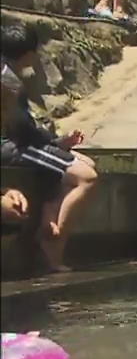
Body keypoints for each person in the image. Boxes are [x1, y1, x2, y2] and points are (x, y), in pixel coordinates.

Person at [0, 24, 99, 272]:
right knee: (87, 178)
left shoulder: (9, 74)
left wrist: (57, 144)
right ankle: (53, 239)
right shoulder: (8, 80)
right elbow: (22, 130)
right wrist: (55, 143)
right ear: (28, 54)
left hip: (23, 142)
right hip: (14, 147)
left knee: (87, 164)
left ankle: (50, 209)